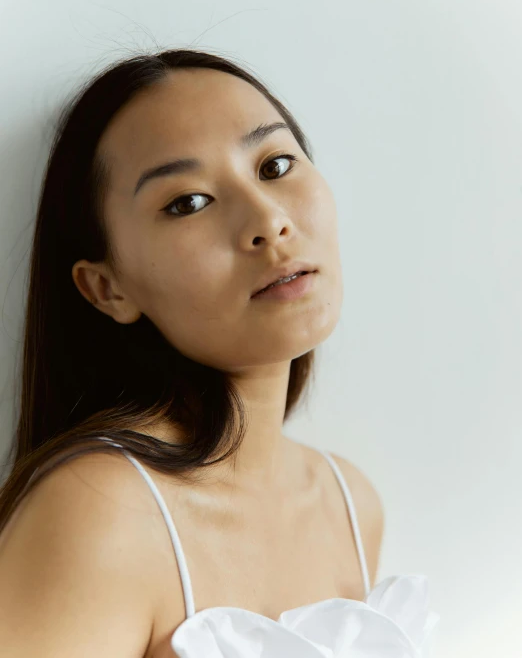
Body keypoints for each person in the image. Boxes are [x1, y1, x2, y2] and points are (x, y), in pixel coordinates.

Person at [0, 49, 438, 656]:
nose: (268, 220)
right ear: (108, 288)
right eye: (188, 203)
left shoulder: (350, 502)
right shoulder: (100, 513)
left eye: (276, 164)